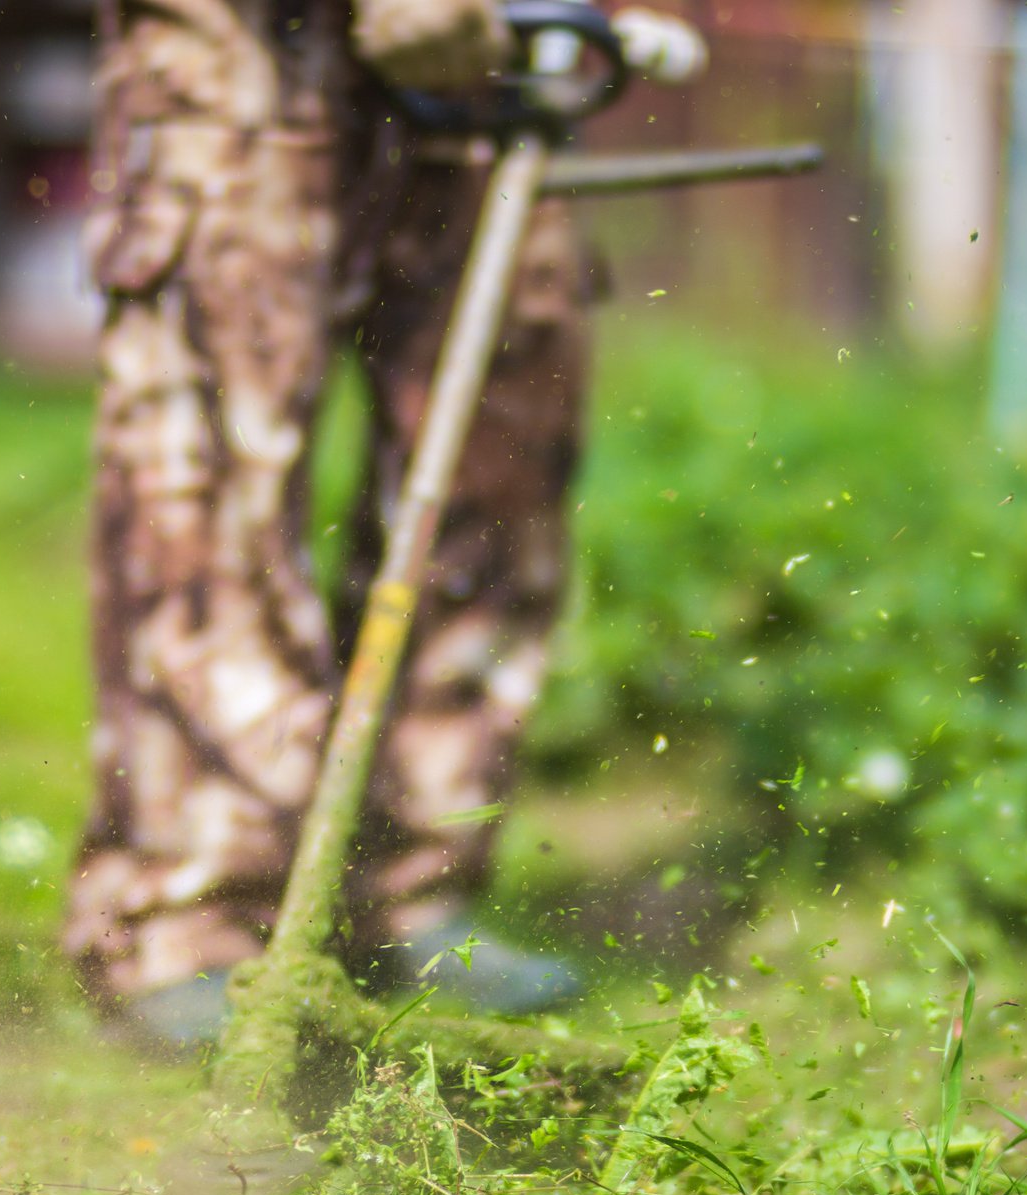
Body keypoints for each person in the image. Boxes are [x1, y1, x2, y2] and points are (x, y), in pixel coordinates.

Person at [64, 0, 703, 1043]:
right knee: (212, 462)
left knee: (495, 443)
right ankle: (190, 914)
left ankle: (409, 888)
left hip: (495, 37)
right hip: (245, 40)